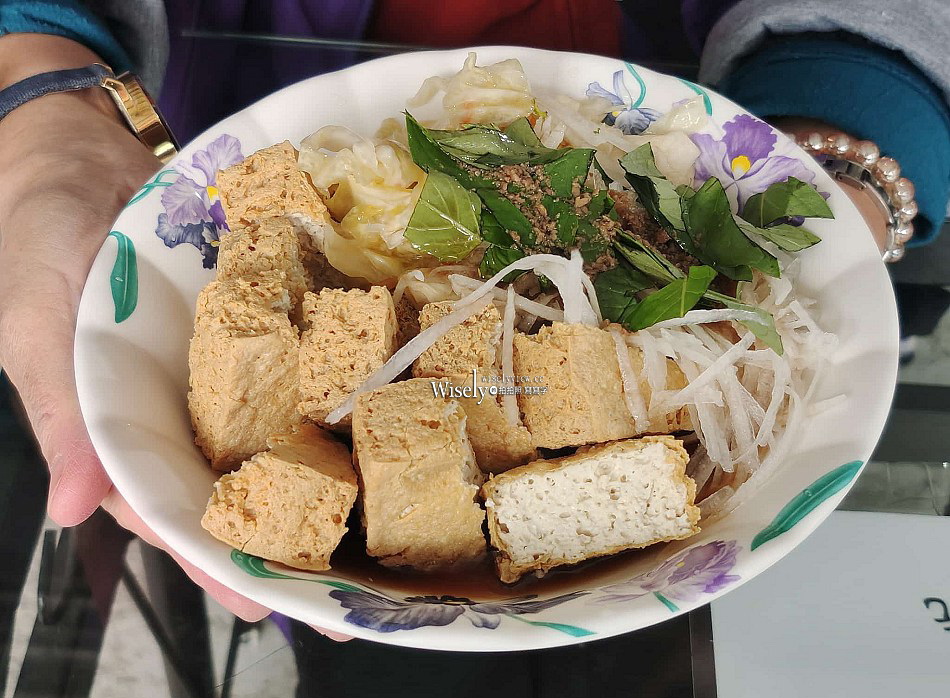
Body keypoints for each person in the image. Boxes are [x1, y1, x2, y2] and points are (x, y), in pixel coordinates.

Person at [0, 0, 948, 655]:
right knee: (355, 656)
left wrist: (833, 154)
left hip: (710, 80)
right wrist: (38, 88)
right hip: (197, 118)